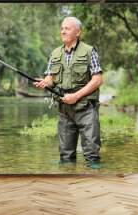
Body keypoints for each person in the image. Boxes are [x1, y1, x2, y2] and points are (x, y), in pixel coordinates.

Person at [33, 16, 103, 167]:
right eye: (62, 28)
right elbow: (50, 78)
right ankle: (68, 183)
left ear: (77, 32)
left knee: (92, 154)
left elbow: (97, 80)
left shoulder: (89, 51)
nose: (63, 31)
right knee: (65, 155)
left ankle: (96, 182)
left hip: (86, 108)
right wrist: (45, 82)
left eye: (67, 28)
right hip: (64, 109)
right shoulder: (55, 53)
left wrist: (75, 96)